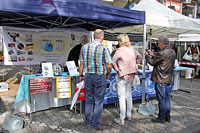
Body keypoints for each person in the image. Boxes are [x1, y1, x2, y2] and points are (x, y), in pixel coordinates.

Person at [79, 29, 113, 131]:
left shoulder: (84, 47)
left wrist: (81, 75)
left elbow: (81, 63)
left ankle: (88, 121)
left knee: (89, 99)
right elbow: (109, 66)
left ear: (94, 36)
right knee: (98, 101)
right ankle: (95, 125)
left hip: (88, 76)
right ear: (102, 37)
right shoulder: (104, 48)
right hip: (99, 76)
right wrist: (107, 74)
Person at [112, 34, 142, 125]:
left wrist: (117, 69)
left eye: (118, 41)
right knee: (128, 95)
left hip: (122, 75)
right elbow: (140, 57)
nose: (118, 42)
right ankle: (128, 115)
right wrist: (135, 63)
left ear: (121, 41)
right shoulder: (132, 49)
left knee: (121, 97)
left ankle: (122, 118)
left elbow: (112, 61)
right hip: (131, 74)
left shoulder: (120, 50)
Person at [145, 36, 176, 123]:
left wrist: (147, 56)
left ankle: (161, 117)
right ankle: (167, 116)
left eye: (158, 42)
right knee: (166, 98)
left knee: (161, 99)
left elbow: (152, 62)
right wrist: (152, 55)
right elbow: (162, 59)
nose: (158, 44)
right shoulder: (172, 51)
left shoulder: (162, 52)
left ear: (162, 43)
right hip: (168, 78)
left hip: (161, 78)